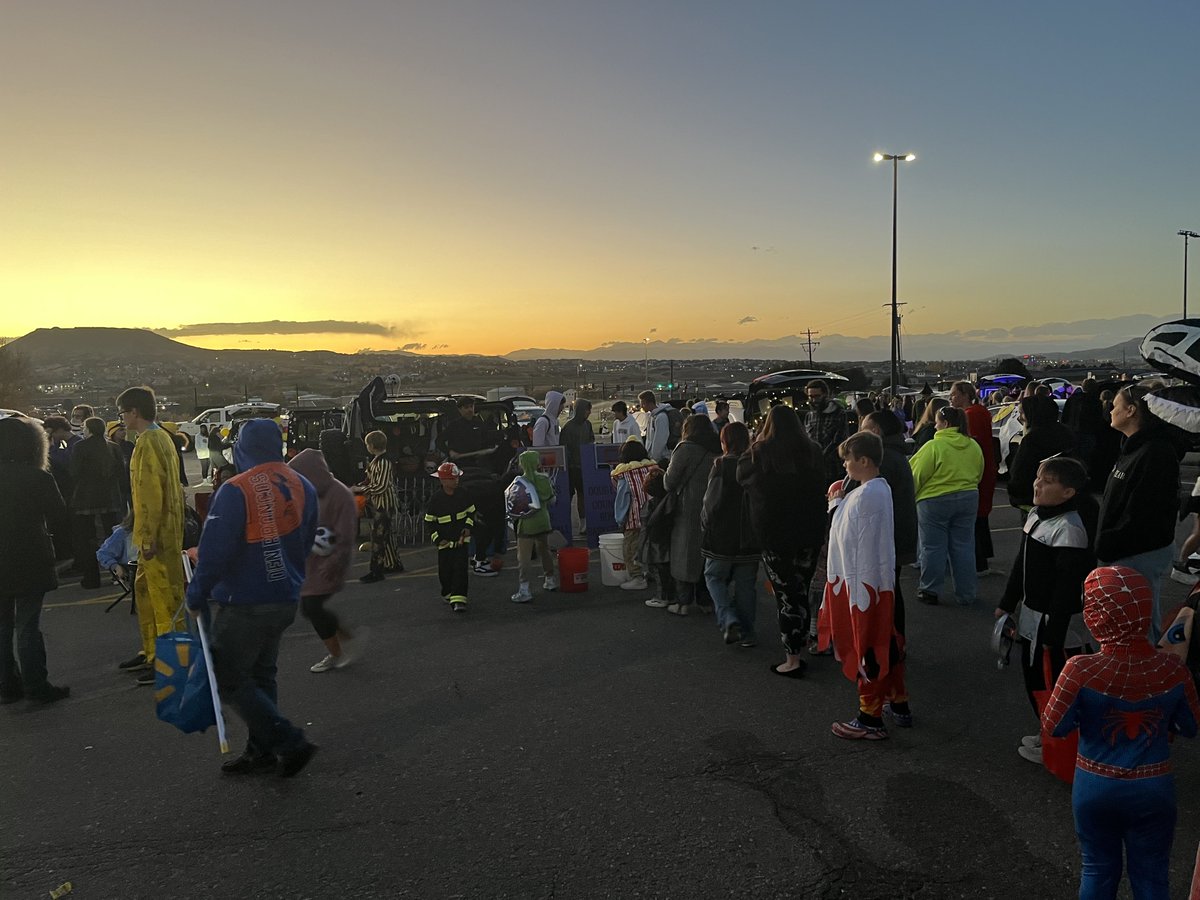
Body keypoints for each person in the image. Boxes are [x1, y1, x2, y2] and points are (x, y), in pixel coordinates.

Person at [1043, 566, 1200, 900]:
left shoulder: (1079, 669)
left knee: (1097, 869)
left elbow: (1054, 725)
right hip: (1153, 786)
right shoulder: (1172, 669)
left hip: (1094, 784)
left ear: (1096, 615)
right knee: (1153, 875)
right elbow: (1191, 726)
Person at [186, 419, 319, 777]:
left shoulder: (235, 489)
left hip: (246, 601)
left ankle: (287, 741)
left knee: (227, 676)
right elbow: (306, 540)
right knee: (262, 674)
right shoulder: (301, 484)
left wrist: (196, 592)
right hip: (285, 595)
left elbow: (214, 552)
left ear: (242, 447)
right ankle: (261, 750)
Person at [996, 458, 1097, 765]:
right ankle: (1047, 730)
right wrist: (1008, 599)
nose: (1037, 484)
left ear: (1068, 492)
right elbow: (1019, 563)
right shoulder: (1038, 515)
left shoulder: (1070, 528)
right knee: (1033, 678)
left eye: (1048, 481)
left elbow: (1068, 588)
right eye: (1038, 477)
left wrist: (1053, 632)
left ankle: (1059, 743)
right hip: (1031, 613)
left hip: (1054, 623)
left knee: (1051, 681)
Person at [818, 432, 907, 740]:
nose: (844, 465)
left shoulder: (867, 494)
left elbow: (846, 535)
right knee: (887, 641)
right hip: (877, 582)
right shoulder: (877, 490)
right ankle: (898, 701)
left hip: (862, 585)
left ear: (864, 461)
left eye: (847, 459)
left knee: (868, 642)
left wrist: (835, 505)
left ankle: (869, 717)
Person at [737, 405, 827, 677]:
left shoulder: (758, 454)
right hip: (809, 532)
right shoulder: (813, 452)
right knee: (801, 586)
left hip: (774, 534)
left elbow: (741, 477)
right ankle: (806, 637)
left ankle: (792, 657)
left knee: (786, 594)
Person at [1095, 383, 1181, 643]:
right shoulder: (1132, 447)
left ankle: (1146, 677)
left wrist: (1108, 544)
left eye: (1116, 405)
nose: (1110, 409)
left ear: (1131, 410)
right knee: (1127, 623)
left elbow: (1144, 514)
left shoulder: (1155, 453)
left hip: (1136, 552)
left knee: (1137, 625)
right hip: (1124, 550)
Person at [117, 386, 185, 686]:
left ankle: (170, 660)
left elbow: (148, 493)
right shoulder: (162, 439)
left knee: (163, 597)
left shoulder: (147, 442)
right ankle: (151, 651)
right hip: (167, 528)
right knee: (145, 592)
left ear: (134, 412)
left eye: (123, 412)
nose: (121, 418)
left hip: (157, 535)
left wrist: (146, 537)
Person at [0, 415, 70, 706]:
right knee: (28, 625)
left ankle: (7, 686)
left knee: (2, 626)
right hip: (30, 554)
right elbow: (59, 515)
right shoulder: (38, 477)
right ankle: (36, 686)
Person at [289, 449, 360, 673]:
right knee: (311, 607)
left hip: (330, 564)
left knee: (311, 607)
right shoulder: (308, 493)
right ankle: (345, 636)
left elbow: (347, 535)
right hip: (312, 563)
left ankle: (337, 654)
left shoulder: (340, 494)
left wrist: (335, 561)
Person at [908, 406, 983, 606]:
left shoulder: (933, 447)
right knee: (964, 546)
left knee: (932, 547)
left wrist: (911, 498)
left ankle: (930, 590)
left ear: (946, 424)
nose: (935, 426)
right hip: (968, 497)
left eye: (938, 422)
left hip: (934, 500)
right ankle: (966, 593)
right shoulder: (973, 445)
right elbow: (979, 471)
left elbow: (916, 476)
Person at [701, 421, 760, 645]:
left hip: (722, 534)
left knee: (714, 576)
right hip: (750, 535)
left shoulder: (721, 465)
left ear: (724, 441)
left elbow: (711, 502)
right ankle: (748, 633)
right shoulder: (756, 463)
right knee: (746, 584)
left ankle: (728, 618)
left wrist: (705, 525)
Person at [661, 415, 720, 616]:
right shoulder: (717, 448)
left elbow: (669, 482)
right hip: (713, 507)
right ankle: (706, 601)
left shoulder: (685, 448)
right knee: (706, 553)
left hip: (687, 508)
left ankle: (683, 602)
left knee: (684, 554)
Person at [861, 411, 919, 607]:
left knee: (886, 593)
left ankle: (891, 636)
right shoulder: (895, 453)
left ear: (875, 431)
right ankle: (894, 634)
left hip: (889, 536)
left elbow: (867, 497)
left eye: (863, 429)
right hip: (898, 533)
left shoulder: (882, 458)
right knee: (890, 589)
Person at [68, 417, 126, 589]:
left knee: (87, 539)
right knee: (113, 537)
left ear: (89, 430)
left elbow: (73, 472)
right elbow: (121, 475)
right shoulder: (113, 448)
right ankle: (118, 574)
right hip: (110, 498)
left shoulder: (80, 447)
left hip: (86, 500)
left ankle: (91, 578)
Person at [949, 381, 998, 577]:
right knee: (980, 517)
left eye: (953, 394)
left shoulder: (970, 415)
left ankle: (979, 561)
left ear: (964, 395)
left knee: (974, 518)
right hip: (985, 469)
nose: (951, 398)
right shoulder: (981, 411)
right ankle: (983, 555)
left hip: (977, 472)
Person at [1006, 395, 1075, 515]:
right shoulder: (1067, 433)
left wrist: (1016, 496)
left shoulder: (1032, 440)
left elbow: (1019, 472)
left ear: (1032, 414)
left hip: (1035, 499)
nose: (1021, 418)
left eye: (1023, 413)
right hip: (1066, 497)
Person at [424, 462, 475, 612]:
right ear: (443, 480)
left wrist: (467, 527)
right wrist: (438, 540)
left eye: (457, 478)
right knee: (445, 571)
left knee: (460, 569)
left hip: (461, 541)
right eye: (453, 479)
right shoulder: (436, 499)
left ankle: (459, 600)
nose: (456, 481)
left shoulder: (463, 494)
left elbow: (471, 512)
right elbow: (429, 522)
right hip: (444, 543)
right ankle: (447, 593)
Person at [610, 439, 659, 593]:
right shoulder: (653, 468)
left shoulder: (625, 474)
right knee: (652, 546)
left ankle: (637, 577)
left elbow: (623, 499)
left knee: (631, 549)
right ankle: (651, 573)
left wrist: (620, 520)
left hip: (634, 519)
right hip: (655, 516)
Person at [354, 430, 402, 583]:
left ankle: (376, 571)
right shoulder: (379, 460)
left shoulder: (383, 462)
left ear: (372, 445)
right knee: (386, 537)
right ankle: (393, 563)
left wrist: (361, 489)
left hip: (384, 505)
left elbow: (381, 486)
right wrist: (363, 485)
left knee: (378, 538)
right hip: (381, 503)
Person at [511, 449, 557, 603]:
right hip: (543, 521)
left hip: (526, 524)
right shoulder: (544, 479)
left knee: (523, 558)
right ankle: (550, 580)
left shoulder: (519, 482)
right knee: (545, 551)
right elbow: (552, 500)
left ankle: (524, 589)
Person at [803, 379, 849, 484]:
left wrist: (821, 456)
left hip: (834, 469)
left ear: (825, 394)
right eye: (811, 397)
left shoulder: (838, 413)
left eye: (817, 396)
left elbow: (839, 440)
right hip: (815, 470)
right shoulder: (809, 416)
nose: (814, 400)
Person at [560, 399, 595, 534]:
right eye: (587, 409)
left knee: (582, 495)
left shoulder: (588, 425)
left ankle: (583, 523)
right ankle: (565, 523)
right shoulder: (568, 427)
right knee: (567, 497)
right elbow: (564, 448)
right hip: (571, 467)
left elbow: (591, 440)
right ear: (580, 410)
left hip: (584, 467)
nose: (589, 412)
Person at [639, 390, 677, 464]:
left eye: (643, 404)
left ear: (649, 403)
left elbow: (660, 440)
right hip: (653, 458)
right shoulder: (651, 416)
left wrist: (654, 459)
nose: (641, 407)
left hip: (662, 459)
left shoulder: (661, 417)